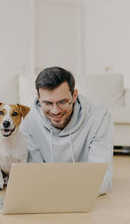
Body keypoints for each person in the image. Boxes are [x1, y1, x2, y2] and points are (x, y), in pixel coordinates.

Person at [21, 67, 114, 195]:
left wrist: (58, 189)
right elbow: (33, 174)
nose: (55, 111)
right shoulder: (27, 118)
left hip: (80, 195)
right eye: (47, 103)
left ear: (74, 95)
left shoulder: (99, 117)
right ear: (38, 98)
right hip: (52, 194)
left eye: (62, 102)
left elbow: (102, 178)